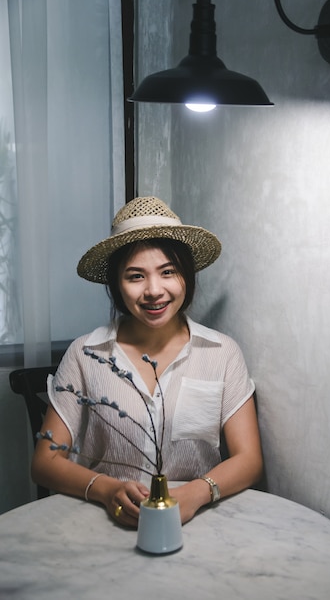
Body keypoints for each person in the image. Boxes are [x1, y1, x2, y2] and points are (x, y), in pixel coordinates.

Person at [31, 196, 263, 527]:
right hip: (103, 521)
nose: (154, 290)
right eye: (136, 276)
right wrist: (107, 489)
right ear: (116, 285)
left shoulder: (222, 352)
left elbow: (250, 459)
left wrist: (196, 494)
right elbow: (44, 461)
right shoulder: (85, 353)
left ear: (187, 276)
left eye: (168, 272)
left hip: (196, 522)